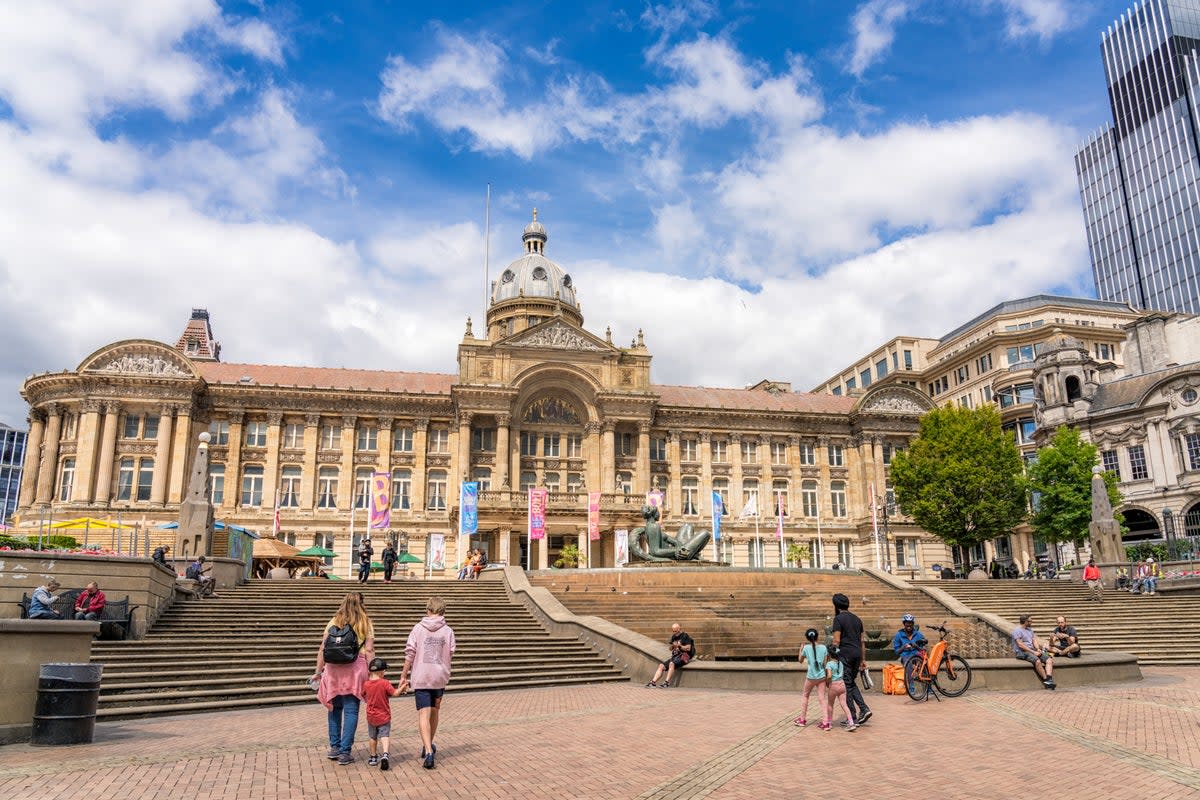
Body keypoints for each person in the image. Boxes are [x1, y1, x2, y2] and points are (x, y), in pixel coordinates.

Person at [313, 592, 375, 765]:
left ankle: (334, 747)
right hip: (355, 669)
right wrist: (372, 673)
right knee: (351, 710)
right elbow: (369, 650)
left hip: (332, 670)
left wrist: (318, 672)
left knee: (333, 708)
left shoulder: (334, 621)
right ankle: (345, 752)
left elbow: (322, 648)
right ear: (361, 603)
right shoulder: (365, 621)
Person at [399, 596, 456, 770]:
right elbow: (451, 652)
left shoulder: (418, 629)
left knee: (423, 714)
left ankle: (429, 751)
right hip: (439, 678)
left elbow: (410, 653)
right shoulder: (448, 631)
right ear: (443, 611)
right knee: (434, 712)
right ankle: (428, 744)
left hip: (422, 676)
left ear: (428, 610)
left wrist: (403, 675)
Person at [831, 593, 872, 726]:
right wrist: (863, 659)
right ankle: (863, 710)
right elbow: (862, 641)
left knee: (846, 685)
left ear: (836, 606)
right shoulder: (857, 619)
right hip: (857, 654)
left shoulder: (838, 619)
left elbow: (836, 640)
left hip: (845, 655)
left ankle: (853, 716)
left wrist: (831, 655)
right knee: (850, 682)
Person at [361, 657, 401, 770]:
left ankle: (373, 757)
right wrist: (402, 687)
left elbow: (363, 694)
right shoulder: (385, 683)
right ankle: (385, 755)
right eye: (384, 671)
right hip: (383, 716)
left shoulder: (366, 684)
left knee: (372, 737)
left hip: (371, 716)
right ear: (381, 671)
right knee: (384, 735)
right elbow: (395, 693)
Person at [793, 627, 828, 729]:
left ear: (807, 638)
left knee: (805, 696)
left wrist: (800, 649)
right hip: (821, 676)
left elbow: (800, 660)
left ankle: (802, 719)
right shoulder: (824, 648)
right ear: (817, 637)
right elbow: (825, 664)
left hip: (811, 677)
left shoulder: (806, 648)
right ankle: (826, 722)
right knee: (822, 698)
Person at [1012, 613, 1055, 689]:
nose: (1032, 622)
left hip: (1032, 650)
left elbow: (1034, 640)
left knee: (1049, 660)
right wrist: (1033, 652)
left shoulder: (1029, 630)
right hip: (1022, 652)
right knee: (1037, 661)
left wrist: (1038, 649)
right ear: (1025, 622)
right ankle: (1046, 680)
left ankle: (1049, 679)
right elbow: (1020, 645)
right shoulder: (1017, 631)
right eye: (1030, 621)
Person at [646, 622, 694, 688]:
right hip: (675, 656)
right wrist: (672, 646)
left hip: (683, 656)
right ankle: (653, 682)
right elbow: (671, 648)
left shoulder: (685, 636)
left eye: (676, 631)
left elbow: (688, 648)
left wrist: (679, 646)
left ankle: (666, 683)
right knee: (661, 666)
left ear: (679, 629)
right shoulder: (674, 636)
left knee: (671, 663)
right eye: (673, 631)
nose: (674, 633)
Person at [824, 646, 857, 732]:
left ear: (830, 655)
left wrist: (827, 682)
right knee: (844, 704)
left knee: (830, 704)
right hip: (842, 684)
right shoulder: (841, 663)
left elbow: (829, 676)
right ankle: (851, 722)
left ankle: (829, 723)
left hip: (833, 685)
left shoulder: (829, 664)